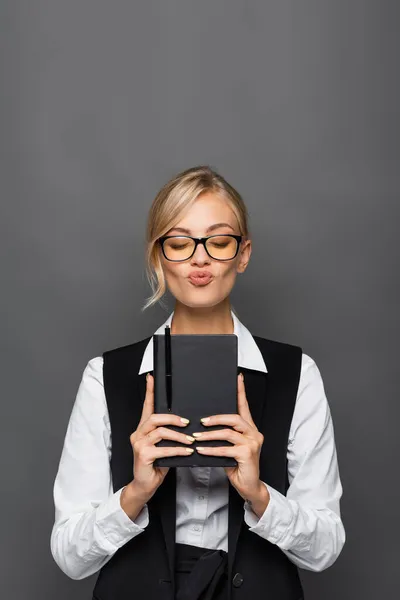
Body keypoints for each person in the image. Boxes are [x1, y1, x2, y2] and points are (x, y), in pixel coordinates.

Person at [50, 165, 345, 600]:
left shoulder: (297, 374)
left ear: (243, 254)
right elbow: (70, 557)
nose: (200, 258)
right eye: (179, 242)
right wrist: (135, 494)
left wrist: (258, 494)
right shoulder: (105, 377)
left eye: (219, 241)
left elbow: (325, 549)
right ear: (158, 256)